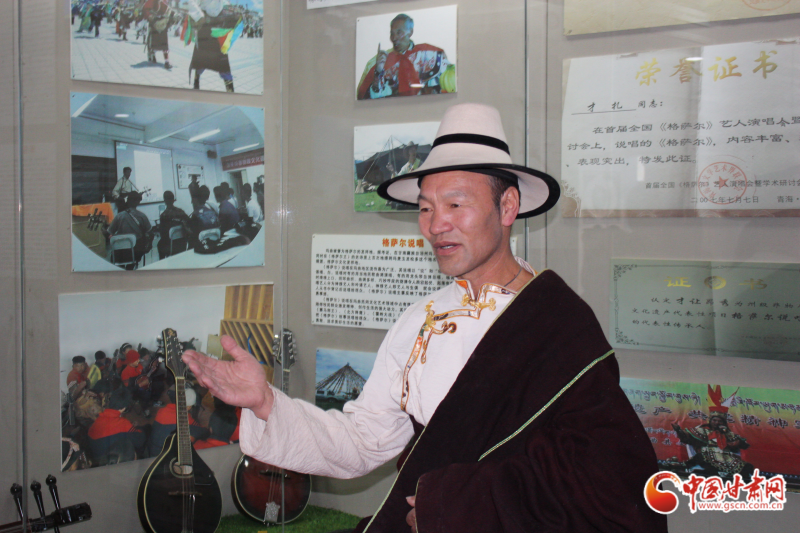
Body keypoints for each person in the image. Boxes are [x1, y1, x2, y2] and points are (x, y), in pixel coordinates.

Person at [183, 103, 666, 532]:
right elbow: (364, 441)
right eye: (426, 208)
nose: (437, 225)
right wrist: (267, 402)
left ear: (508, 206)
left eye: (456, 204)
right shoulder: (419, 322)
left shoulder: (556, 322)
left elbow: (609, 477)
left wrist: (459, 506)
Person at [357, 14, 454, 100]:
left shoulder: (431, 54)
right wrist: (378, 72)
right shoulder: (378, 62)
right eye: (392, 34)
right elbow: (367, 99)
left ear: (410, 32)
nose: (394, 38)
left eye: (399, 32)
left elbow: (451, 85)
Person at [186, 0, 238, 92]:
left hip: (218, 27)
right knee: (200, 59)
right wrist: (199, 16)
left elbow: (225, 3)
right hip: (204, 24)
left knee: (223, 63)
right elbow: (191, 2)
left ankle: (231, 92)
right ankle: (196, 83)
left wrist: (230, 11)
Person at [87, 387, 146, 465]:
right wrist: (138, 427)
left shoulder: (96, 422)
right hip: (115, 462)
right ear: (124, 408)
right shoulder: (123, 423)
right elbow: (140, 441)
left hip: (99, 461)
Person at [104, 191, 152, 268]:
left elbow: (109, 232)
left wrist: (102, 230)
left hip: (120, 253)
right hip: (136, 253)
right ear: (138, 202)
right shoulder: (142, 216)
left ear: (128, 201)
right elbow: (150, 233)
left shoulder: (119, 216)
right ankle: (131, 266)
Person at [157, 190, 190, 259]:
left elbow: (162, 234)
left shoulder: (163, 215)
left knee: (159, 244)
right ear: (173, 200)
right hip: (182, 244)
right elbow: (188, 222)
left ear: (165, 200)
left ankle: (162, 262)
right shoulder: (181, 211)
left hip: (170, 245)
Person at [142, 0, 175, 69]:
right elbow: (145, 9)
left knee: (164, 45)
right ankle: (152, 55)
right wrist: (150, 16)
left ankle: (166, 62)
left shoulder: (165, 1)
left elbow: (169, 9)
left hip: (163, 24)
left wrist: (172, 15)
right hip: (154, 24)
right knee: (154, 43)